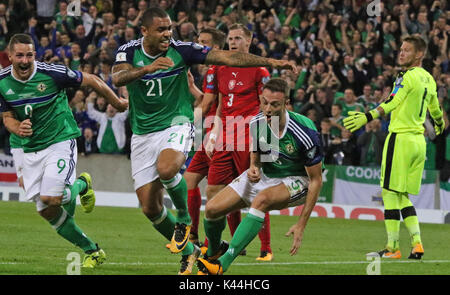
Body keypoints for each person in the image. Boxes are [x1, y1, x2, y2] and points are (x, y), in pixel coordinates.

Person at [111, 7, 296, 275]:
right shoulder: (128, 50)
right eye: (161, 29)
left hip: (177, 123)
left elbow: (228, 57)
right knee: (150, 208)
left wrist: (272, 62)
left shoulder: (182, 50)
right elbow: (117, 77)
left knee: (168, 169)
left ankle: (186, 221)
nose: (167, 34)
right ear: (145, 31)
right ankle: (190, 252)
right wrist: (148, 68)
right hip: (142, 132)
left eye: (170, 28)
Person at [0, 34, 128, 268]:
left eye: (29, 54)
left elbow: (91, 80)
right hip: (28, 146)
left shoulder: (52, 73)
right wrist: (17, 127)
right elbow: (7, 116)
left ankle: (80, 185)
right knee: (45, 210)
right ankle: (93, 250)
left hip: (59, 140)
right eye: (19, 55)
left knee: (51, 198)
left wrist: (117, 102)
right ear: (9, 57)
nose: (25, 60)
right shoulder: (2, 83)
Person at [197, 78, 323, 275]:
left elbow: (316, 180)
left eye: (274, 104)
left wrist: (301, 225)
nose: (268, 108)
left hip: (298, 179)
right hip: (267, 173)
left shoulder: (304, 132)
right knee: (212, 210)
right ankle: (213, 253)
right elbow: (259, 152)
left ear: (286, 103)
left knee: (261, 200)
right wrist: (253, 166)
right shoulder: (258, 121)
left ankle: (222, 264)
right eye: (264, 102)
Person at [344, 35, 445, 260]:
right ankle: (417, 244)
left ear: (419, 54)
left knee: (389, 192)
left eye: (407, 50)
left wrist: (367, 116)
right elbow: (436, 110)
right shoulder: (429, 78)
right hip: (419, 142)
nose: (401, 53)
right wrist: (439, 125)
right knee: (401, 195)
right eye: (400, 49)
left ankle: (392, 247)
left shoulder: (406, 76)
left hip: (400, 139)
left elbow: (392, 102)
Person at [203, 23, 273, 261]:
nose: (232, 42)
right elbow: (221, 106)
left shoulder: (260, 70)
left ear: (249, 41)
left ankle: (266, 248)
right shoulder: (220, 68)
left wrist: (265, 141)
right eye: (230, 39)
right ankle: (224, 242)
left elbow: (267, 107)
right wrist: (213, 134)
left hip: (249, 137)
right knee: (216, 189)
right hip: (225, 136)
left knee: (256, 191)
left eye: (237, 38)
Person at [183, 27, 226, 248]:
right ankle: (194, 236)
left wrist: (186, 123)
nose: (199, 46)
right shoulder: (218, 68)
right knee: (191, 181)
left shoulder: (215, 69)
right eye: (198, 41)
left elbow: (208, 105)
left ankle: (208, 241)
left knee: (215, 190)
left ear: (216, 48)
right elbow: (208, 101)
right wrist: (192, 88)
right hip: (216, 131)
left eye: (204, 43)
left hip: (220, 133)